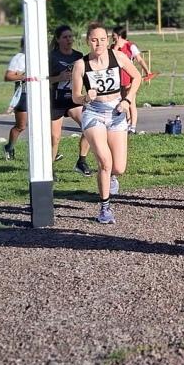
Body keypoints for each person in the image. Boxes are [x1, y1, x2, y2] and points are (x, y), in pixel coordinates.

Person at [71, 22, 141, 224]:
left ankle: (111, 177)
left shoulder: (118, 57)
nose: (98, 44)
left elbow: (137, 78)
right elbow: (75, 96)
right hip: (93, 113)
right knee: (105, 162)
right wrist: (85, 97)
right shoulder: (81, 65)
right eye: (94, 40)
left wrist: (127, 101)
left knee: (118, 168)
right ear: (87, 41)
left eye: (102, 39)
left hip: (117, 112)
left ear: (108, 40)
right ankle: (104, 208)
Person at [48, 24, 85, 166]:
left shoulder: (78, 56)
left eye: (70, 37)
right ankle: (49, 169)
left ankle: (81, 161)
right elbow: (42, 80)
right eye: (65, 37)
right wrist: (59, 78)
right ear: (58, 39)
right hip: (56, 99)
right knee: (55, 137)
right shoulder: (52, 57)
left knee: (88, 126)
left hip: (73, 98)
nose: (69, 40)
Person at [112, 25, 154, 135]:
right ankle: (126, 123)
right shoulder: (113, 47)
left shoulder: (130, 46)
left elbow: (139, 59)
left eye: (114, 36)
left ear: (120, 35)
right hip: (117, 78)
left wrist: (147, 71)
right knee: (121, 101)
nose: (112, 37)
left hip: (129, 78)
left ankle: (133, 127)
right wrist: (115, 47)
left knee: (131, 102)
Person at [3, 37, 27, 160]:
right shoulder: (19, 58)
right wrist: (23, 76)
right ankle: (9, 147)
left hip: (39, 95)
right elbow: (8, 76)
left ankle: (53, 152)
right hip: (23, 94)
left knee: (44, 124)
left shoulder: (40, 56)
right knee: (21, 126)